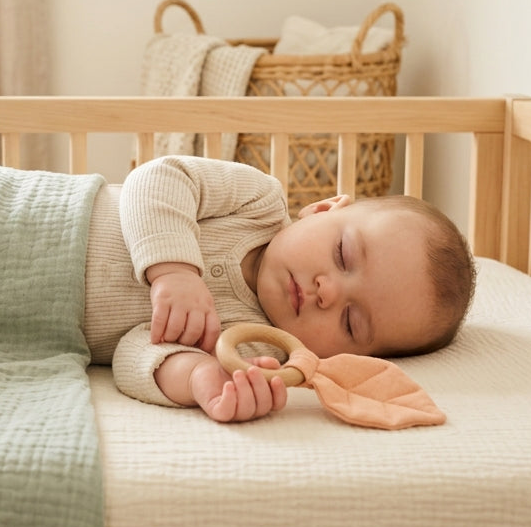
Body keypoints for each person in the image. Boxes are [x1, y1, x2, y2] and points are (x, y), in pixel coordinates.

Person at [87, 155, 475, 424]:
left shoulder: (258, 346)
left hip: (41, 331)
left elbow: (134, 352)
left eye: (351, 321)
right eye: (343, 254)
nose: (328, 292)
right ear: (323, 209)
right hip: (49, 213)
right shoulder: (257, 201)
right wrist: (174, 271)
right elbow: (157, 177)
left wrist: (199, 377)